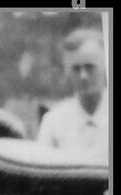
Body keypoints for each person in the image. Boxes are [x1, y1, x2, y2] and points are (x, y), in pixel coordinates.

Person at [37, 28, 108, 164]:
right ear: (67, 71)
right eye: (76, 68)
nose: (83, 76)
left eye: (90, 67)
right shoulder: (53, 121)